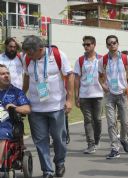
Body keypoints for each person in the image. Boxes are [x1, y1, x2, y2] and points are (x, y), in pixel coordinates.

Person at [22, 35, 74, 178]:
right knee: (40, 140)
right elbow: (26, 77)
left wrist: (69, 100)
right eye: (27, 53)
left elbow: (69, 76)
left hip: (56, 107)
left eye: (31, 53)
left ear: (40, 49)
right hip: (35, 109)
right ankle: (47, 170)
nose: (29, 56)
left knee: (59, 138)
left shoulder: (58, 55)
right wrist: (21, 96)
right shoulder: (26, 58)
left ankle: (59, 162)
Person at [98, 35, 128, 159]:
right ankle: (114, 148)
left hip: (122, 94)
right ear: (107, 45)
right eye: (109, 43)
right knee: (111, 123)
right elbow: (100, 75)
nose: (112, 45)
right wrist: (103, 86)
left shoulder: (125, 58)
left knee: (125, 122)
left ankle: (123, 139)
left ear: (118, 44)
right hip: (109, 95)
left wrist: (126, 86)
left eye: (114, 43)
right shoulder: (103, 60)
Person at [74, 36, 103, 154]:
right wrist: (77, 95)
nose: (86, 47)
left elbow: (105, 75)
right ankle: (90, 144)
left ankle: (96, 140)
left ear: (94, 45)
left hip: (98, 94)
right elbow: (77, 78)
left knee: (98, 120)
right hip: (84, 95)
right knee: (88, 120)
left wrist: (107, 87)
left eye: (88, 44)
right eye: (84, 45)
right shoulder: (80, 60)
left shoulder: (101, 59)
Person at [0, 64, 30, 140]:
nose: (6, 76)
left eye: (8, 73)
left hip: (8, 124)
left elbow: (27, 109)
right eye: (2, 74)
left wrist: (13, 107)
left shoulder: (17, 92)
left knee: (2, 133)